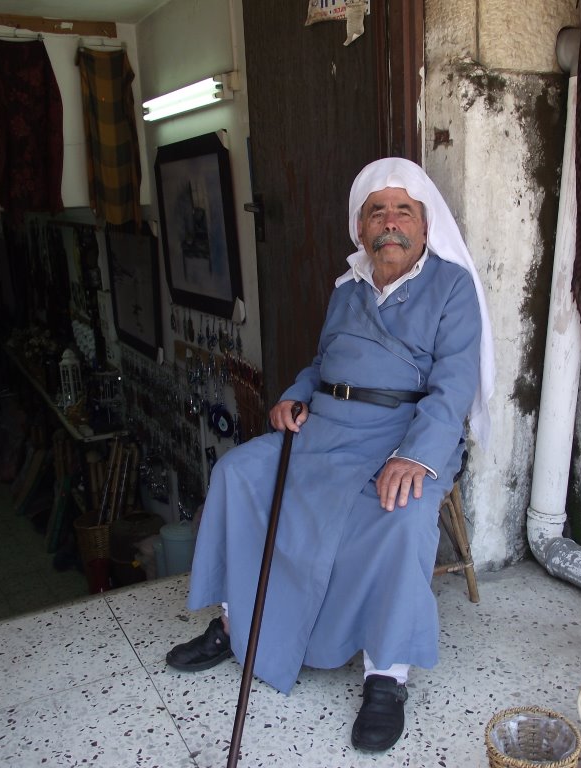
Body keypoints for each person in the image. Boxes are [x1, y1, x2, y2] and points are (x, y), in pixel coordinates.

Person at [167, 157, 494, 752]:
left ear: (424, 225)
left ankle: (386, 674)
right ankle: (236, 623)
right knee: (239, 473)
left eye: (403, 211)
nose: (389, 223)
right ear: (361, 227)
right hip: (327, 425)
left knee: (402, 515)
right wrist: (295, 395)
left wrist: (416, 456)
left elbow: (453, 388)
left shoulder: (451, 287)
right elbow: (322, 365)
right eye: (377, 212)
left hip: (407, 432)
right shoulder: (346, 288)